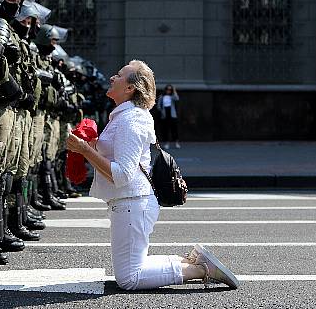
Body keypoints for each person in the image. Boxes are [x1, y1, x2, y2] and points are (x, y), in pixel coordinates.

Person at [66, 60, 239, 291]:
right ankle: (188, 261)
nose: (112, 78)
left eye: (119, 75)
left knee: (129, 278)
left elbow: (122, 175)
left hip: (132, 202)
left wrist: (85, 150)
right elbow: (120, 157)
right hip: (129, 202)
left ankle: (201, 269)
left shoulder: (131, 120)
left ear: (130, 88)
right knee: (133, 268)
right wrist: (92, 144)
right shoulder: (123, 116)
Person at [157, 84, 180, 149]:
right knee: (166, 129)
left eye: (170, 89)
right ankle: (167, 143)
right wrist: (162, 111)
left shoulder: (172, 96)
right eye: (167, 89)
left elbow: (177, 98)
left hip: (172, 114)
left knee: (174, 129)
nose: (168, 91)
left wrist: (174, 90)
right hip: (165, 114)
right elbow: (158, 105)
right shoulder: (162, 96)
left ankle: (176, 142)